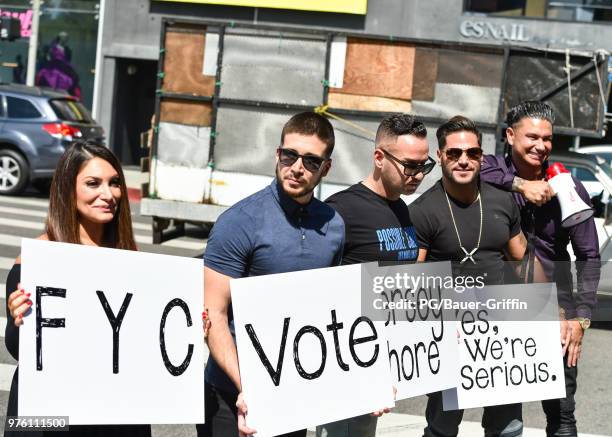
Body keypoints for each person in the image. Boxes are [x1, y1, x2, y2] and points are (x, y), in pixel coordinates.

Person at [199, 112, 345, 437]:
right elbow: (213, 317)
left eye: (310, 160)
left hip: (292, 393)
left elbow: (328, 314)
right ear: (278, 154)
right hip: (229, 393)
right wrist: (248, 386)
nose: (296, 167)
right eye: (289, 155)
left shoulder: (334, 226)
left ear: (326, 168)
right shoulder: (238, 222)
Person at [4, 140, 150, 437]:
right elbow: (19, 349)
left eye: (115, 183)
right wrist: (19, 319)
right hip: (51, 415)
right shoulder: (37, 258)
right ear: (68, 190)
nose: (108, 194)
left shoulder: (130, 257)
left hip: (115, 413)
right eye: (93, 183)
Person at [480, 101, 600, 437]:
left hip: (556, 312)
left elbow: (589, 254)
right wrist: (520, 185)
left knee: (561, 416)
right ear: (509, 135)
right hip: (501, 311)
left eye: (547, 139)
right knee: (502, 418)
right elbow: (467, 169)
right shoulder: (488, 172)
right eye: (531, 136)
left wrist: (582, 317)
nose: (540, 145)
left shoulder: (568, 187)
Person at [316, 114, 434, 437]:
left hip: (380, 362)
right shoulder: (341, 210)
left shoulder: (401, 209)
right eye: (410, 165)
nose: (419, 175)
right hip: (345, 366)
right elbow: (316, 291)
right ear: (379, 158)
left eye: (425, 165)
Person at [409, 115, 527, 437]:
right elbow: (411, 282)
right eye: (454, 153)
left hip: (500, 336)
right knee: (442, 428)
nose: (464, 160)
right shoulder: (422, 210)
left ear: (481, 156)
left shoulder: (502, 202)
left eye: (472, 153)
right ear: (440, 154)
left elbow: (523, 259)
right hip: (449, 336)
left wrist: (550, 309)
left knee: (508, 428)